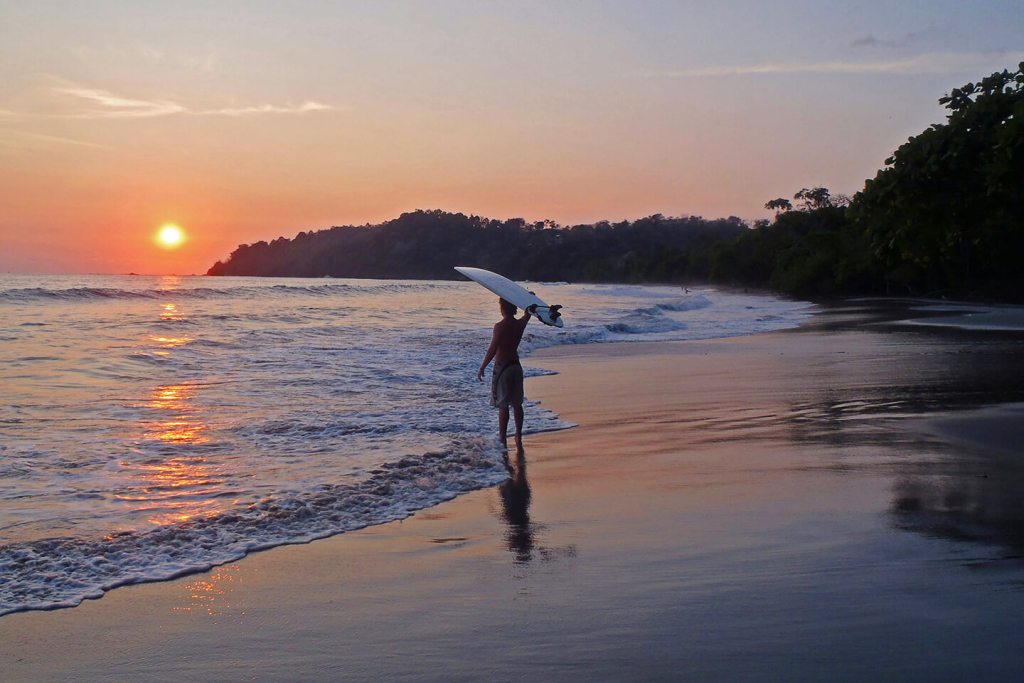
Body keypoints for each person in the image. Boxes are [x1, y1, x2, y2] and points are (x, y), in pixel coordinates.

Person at [477, 297, 534, 451]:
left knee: (503, 405)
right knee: (517, 403)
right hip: (516, 366)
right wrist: (528, 298)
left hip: (503, 369)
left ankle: (502, 437)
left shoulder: (500, 326)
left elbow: (493, 348)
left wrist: (482, 366)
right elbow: (527, 315)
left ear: (502, 308)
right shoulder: (519, 324)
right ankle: (518, 435)